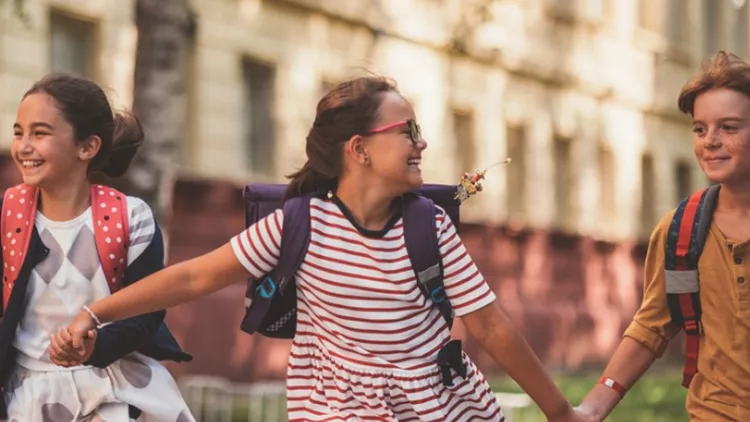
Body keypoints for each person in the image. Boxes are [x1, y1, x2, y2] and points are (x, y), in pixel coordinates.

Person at [63, 76, 584, 421]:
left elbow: (492, 326)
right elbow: (193, 277)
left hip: (439, 408)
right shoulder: (300, 224)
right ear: (358, 149)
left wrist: (561, 413)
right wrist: (96, 312)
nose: (421, 143)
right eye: (408, 131)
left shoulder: (431, 226)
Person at [0, 74, 194, 421]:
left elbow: (148, 309)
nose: (24, 146)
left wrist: (95, 345)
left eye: (39, 133)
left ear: (87, 147)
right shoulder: (6, 217)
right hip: (30, 396)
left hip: (115, 385)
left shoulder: (131, 218)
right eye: (19, 132)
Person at [574, 51, 750, 421]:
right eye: (700, 129)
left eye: (729, 127)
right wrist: (592, 407)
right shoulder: (683, 230)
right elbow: (653, 325)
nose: (711, 141)